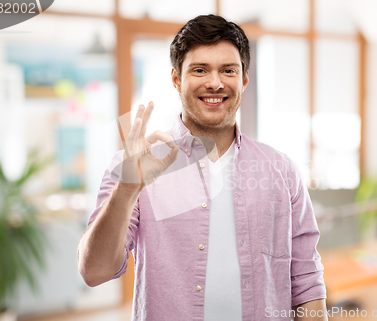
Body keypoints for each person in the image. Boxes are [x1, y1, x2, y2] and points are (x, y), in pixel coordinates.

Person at [78, 14, 327, 321]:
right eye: (199, 70)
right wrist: (127, 189)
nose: (215, 82)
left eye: (228, 70)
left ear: (244, 79)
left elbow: (306, 281)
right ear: (176, 80)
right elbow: (95, 272)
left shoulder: (282, 170)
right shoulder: (131, 167)